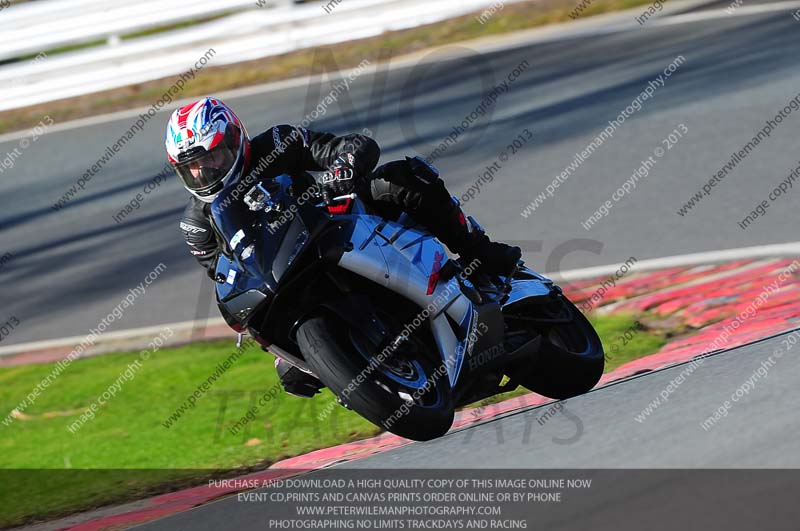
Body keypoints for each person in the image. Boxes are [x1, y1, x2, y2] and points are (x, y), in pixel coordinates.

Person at [166, 97, 521, 397]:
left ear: (234, 141)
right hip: (286, 276)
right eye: (191, 168)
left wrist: (344, 167)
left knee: (400, 177)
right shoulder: (197, 225)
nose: (203, 173)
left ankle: (480, 255)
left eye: (210, 159)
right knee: (290, 368)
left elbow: (351, 146)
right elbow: (230, 276)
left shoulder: (276, 144)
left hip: (335, 224)